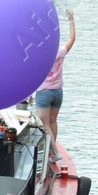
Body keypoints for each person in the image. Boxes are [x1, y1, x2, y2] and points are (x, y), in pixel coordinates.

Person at [33, 8, 74, 144]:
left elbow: (34, 76)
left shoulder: (40, 56)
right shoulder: (60, 52)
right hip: (58, 92)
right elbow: (72, 38)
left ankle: (53, 151)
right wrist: (71, 20)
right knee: (53, 121)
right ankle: (53, 147)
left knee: (45, 125)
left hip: (44, 92)